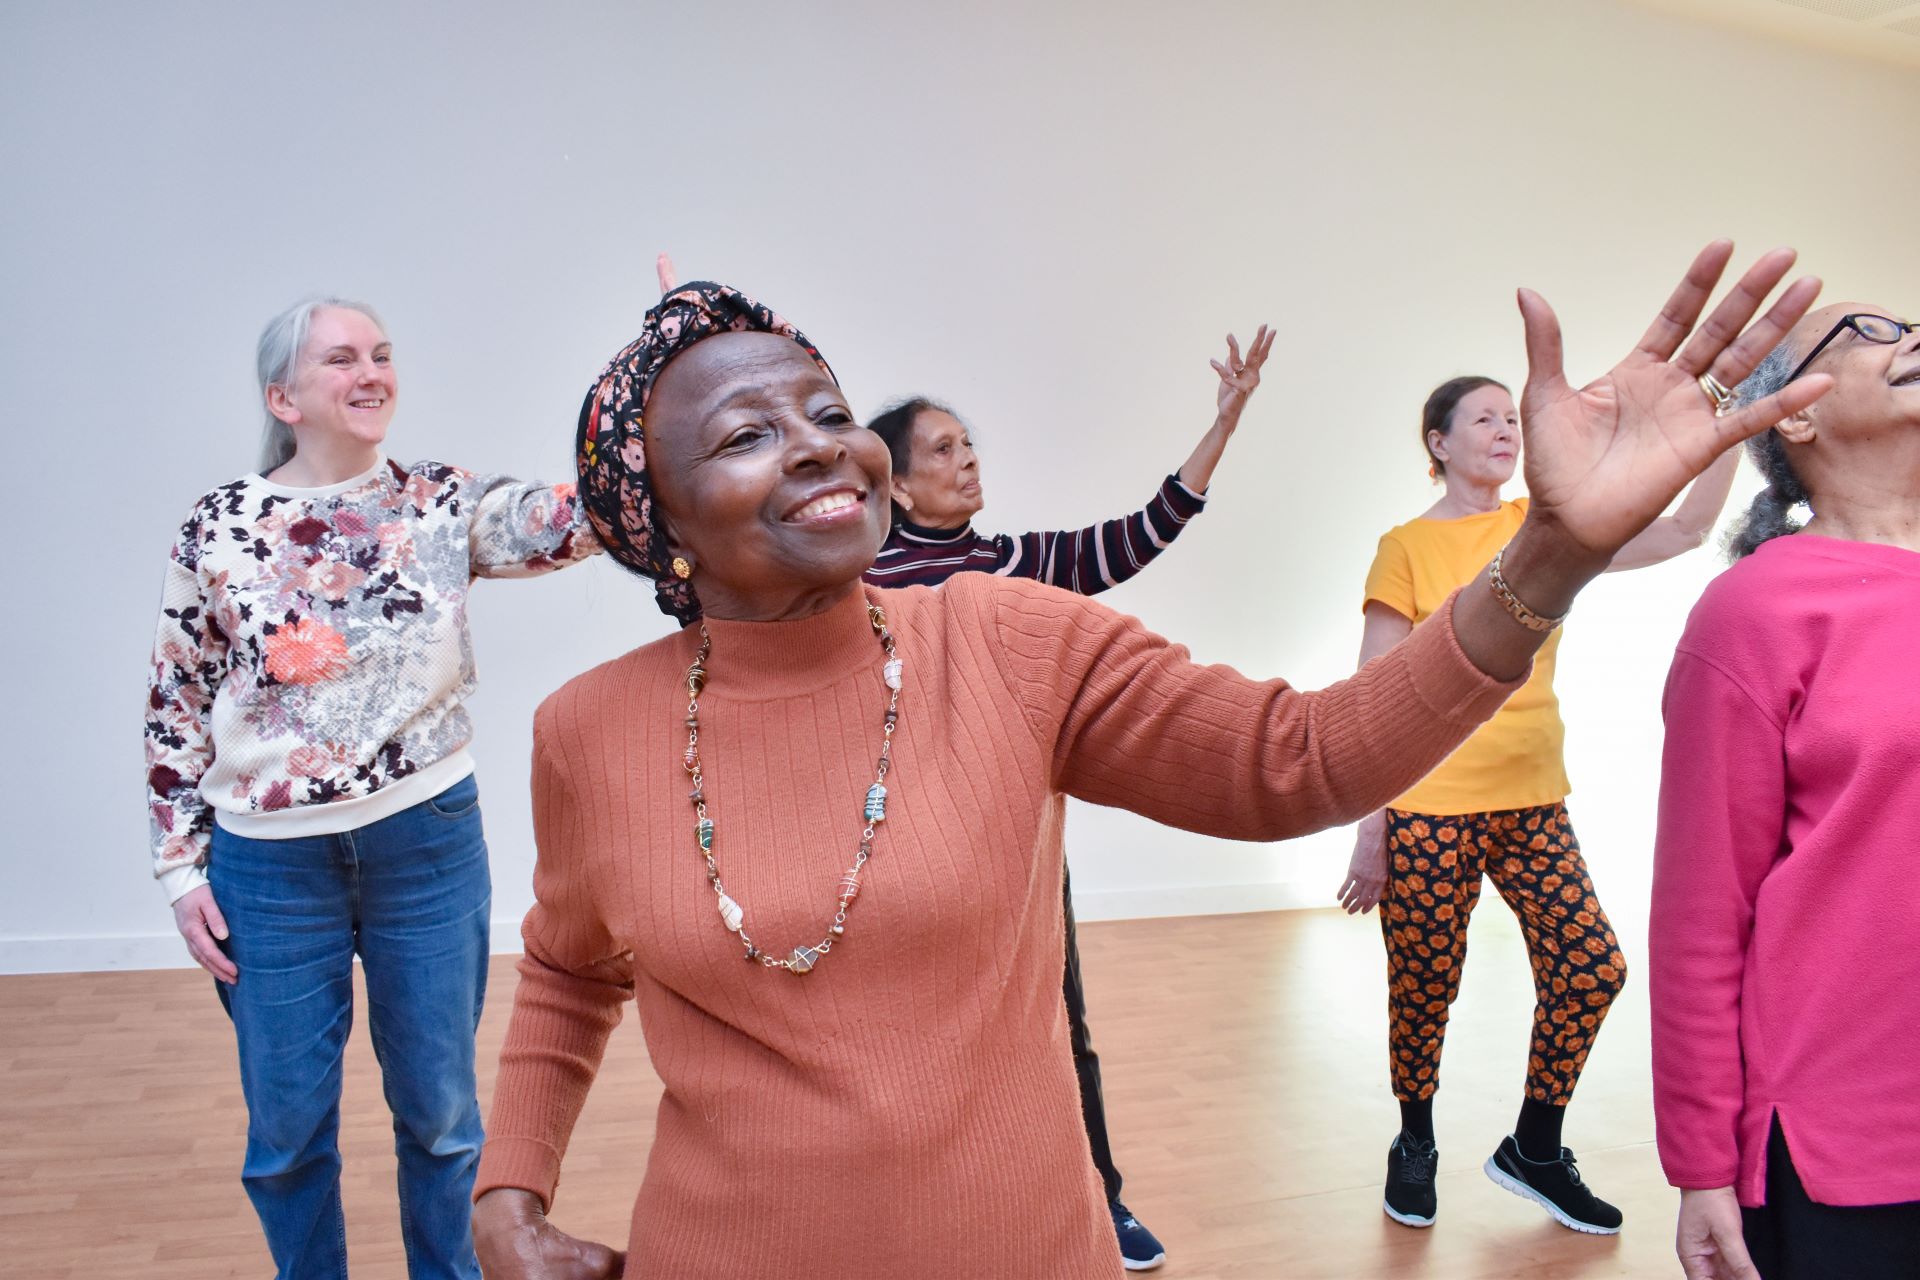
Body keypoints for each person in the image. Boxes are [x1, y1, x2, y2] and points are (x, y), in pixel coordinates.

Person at [469, 241, 1826, 1279]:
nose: (821, 443)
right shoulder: (589, 731)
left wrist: (1552, 551)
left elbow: (1297, 758)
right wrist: (507, 1201)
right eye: (747, 435)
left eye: (825, 407)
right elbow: (569, 980)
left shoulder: (1005, 640)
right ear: (655, 524)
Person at [144, 297, 600, 1279]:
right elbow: (176, 699)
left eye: (382, 354)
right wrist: (181, 870)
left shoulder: (435, 500)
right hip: (269, 868)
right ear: (284, 395)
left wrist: (650, 374)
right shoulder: (220, 525)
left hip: (425, 844)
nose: (371, 371)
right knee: (287, 1134)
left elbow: (575, 522)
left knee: (439, 1117)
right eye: (342, 357)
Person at [860, 327, 1272, 1271]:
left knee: (1061, 1026)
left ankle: (1103, 1202)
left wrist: (1226, 421)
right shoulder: (857, 583)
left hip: (1015, 855)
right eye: (943, 450)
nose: (967, 462)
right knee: (912, 1042)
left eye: (970, 446)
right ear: (898, 486)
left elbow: (1136, 535)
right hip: (899, 858)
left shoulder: (1014, 566)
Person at [1334, 312, 1751, 1235]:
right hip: (1431, 804)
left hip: (1531, 799)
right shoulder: (1405, 547)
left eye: (1509, 418)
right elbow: (1372, 687)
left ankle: (1534, 1144)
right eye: (1482, 419)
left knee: (1589, 966)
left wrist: (1723, 426)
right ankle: (1415, 1141)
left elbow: (1682, 529)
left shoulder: (1548, 526)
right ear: (1438, 445)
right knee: (1424, 987)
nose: (1504, 431)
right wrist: (1373, 823)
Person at [1652, 303, 1920, 1280]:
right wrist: (1700, 1163)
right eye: (1868, 329)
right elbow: (1699, 913)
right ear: (1795, 416)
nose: (1908, 335)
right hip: (1845, 1150)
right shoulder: (1756, 610)